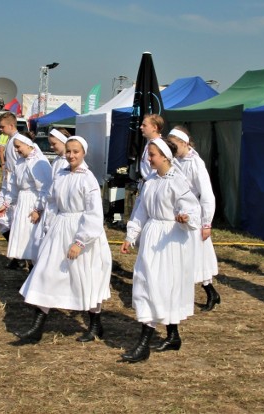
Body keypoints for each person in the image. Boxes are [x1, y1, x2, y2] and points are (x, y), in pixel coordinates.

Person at [15, 136, 112, 344]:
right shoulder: (60, 174)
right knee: (45, 272)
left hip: (80, 231)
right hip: (59, 229)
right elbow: (51, 203)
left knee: (85, 276)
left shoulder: (88, 179)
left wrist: (80, 241)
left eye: (75, 151)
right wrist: (48, 227)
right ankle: (36, 327)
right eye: (68, 151)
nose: (71, 155)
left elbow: (94, 213)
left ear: (83, 153)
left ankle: (95, 325)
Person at [120, 138, 201, 363]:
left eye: (153, 154)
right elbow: (141, 211)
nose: (149, 158)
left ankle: (144, 344)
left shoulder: (178, 181)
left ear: (165, 156)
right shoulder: (151, 181)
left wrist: (185, 217)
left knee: (161, 286)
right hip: (152, 237)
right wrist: (131, 236)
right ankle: (173, 336)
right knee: (148, 283)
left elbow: (193, 209)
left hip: (170, 239)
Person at [167, 127, 221, 312]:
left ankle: (210, 292)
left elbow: (207, 194)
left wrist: (206, 222)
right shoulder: (174, 162)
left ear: (184, 143)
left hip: (193, 216)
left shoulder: (196, 163)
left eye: (175, 145)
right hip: (178, 215)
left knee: (197, 257)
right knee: (180, 257)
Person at [0, 133, 52, 270]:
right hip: (22, 203)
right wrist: (6, 204)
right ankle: (29, 273)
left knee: (32, 239)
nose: (16, 150)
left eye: (18, 146)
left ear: (28, 145)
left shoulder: (38, 162)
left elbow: (44, 188)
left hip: (32, 203)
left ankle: (35, 273)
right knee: (23, 239)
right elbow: (14, 186)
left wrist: (38, 209)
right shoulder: (20, 162)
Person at [0, 112, 22, 269]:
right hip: (7, 186)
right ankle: (17, 252)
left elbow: (18, 169)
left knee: (9, 219)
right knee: (1, 217)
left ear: (11, 125)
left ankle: (19, 254)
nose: (1, 130)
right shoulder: (10, 141)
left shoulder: (16, 142)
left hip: (12, 189)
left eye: (3, 126)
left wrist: (12, 193)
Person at [139, 114, 165, 179]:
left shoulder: (159, 145)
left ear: (154, 128)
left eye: (144, 125)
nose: (141, 127)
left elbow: (157, 170)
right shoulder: (150, 142)